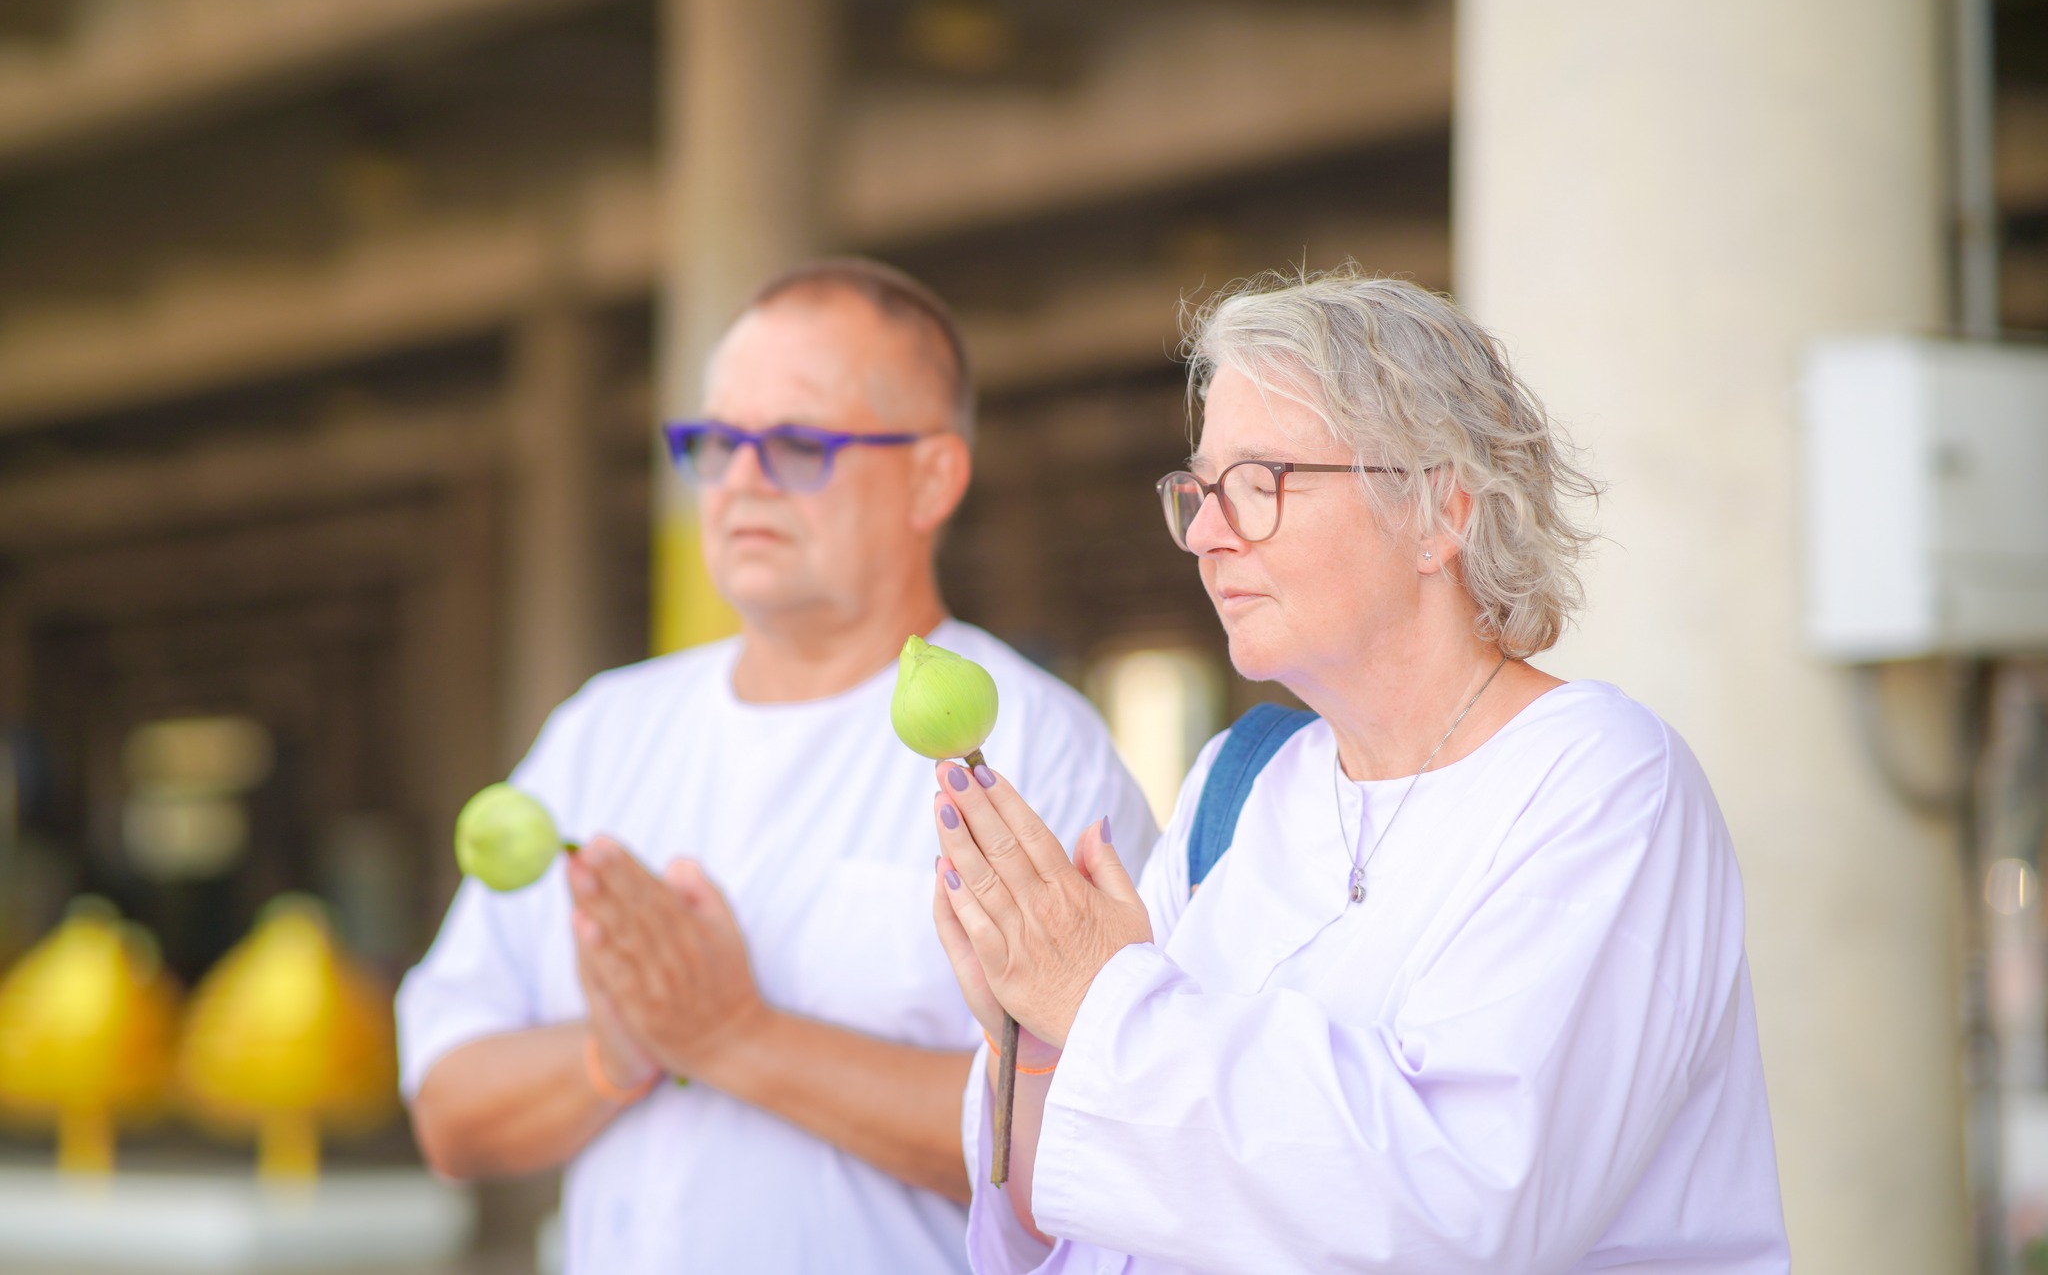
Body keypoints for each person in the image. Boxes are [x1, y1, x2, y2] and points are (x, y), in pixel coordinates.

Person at [928, 269, 1790, 1273]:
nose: (1205, 534)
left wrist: (1099, 999)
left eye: (1259, 483)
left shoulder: (1598, 782)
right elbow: (1077, 1222)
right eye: (1199, 491)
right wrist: (1031, 1041)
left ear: (1440, 508)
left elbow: (1463, 1208)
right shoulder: (1236, 783)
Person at [398, 258, 1154, 1274]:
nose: (741, 480)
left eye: (797, 444)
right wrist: (613, 1052)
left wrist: (732, 1035)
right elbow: (449, 1115)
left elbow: (1114, 1133)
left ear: (932, 476)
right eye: (714, 442)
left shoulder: (1024, 744)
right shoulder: (603, 730)